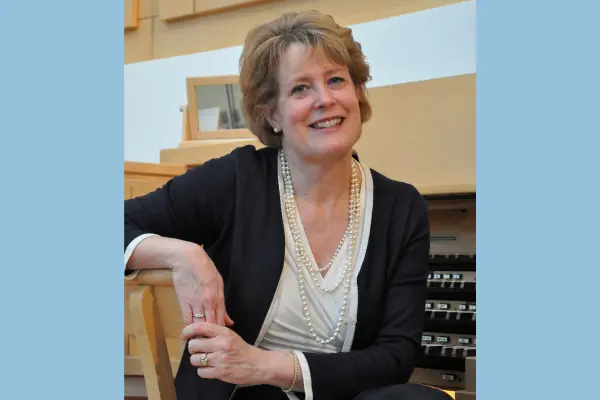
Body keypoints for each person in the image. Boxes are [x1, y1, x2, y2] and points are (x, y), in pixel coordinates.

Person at [124, 10, 453, 400]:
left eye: (336, 80)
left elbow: (397, 356)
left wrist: (264, 365)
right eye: (300, 89)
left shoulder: (401, 207)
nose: (325, 100)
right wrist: (183, 255)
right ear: (272, 114)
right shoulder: (236, 180)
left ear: (357, 92)